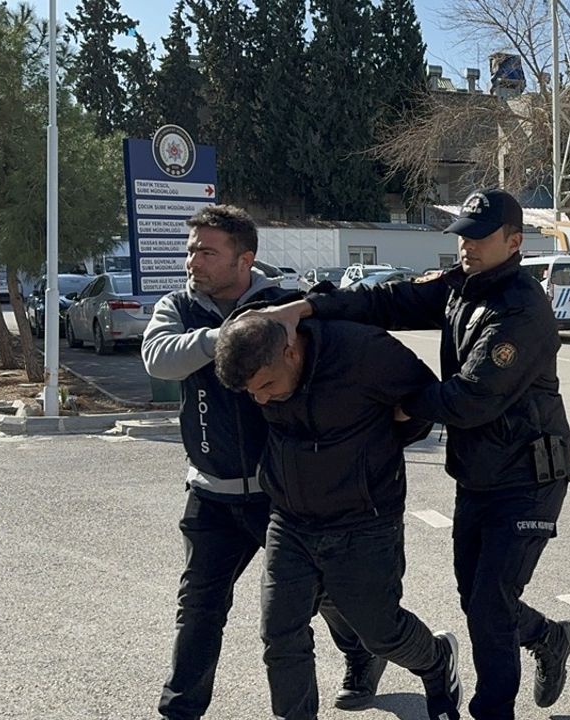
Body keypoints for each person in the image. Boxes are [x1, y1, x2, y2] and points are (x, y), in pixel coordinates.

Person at [256, 188, 570, 720]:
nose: (466, 247)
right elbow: (390, 301)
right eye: (462, 237)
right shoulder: (463, 287)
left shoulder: (522, 310)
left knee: (490, 609)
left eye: (479, 238)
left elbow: (474, 396)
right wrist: (309, 306)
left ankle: (491, 711)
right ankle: (548, 637)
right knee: (478, 601)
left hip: (527, 479)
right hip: (479, 473)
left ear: (514, 242)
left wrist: (403, 404)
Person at [140, 205, 377, 720]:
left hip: (281, 494)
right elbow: (159, 359)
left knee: (321, 597)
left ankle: (361, 655)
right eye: (191, 250)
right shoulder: (179, 307)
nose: (193, 262)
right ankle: (179, 711)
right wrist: (232, 335)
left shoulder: (282, 302)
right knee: (199, 609)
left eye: (207, 251)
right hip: (212, 493)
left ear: (244, 258)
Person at [212, 314, 460, 720]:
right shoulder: (263, 370)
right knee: (280, 634)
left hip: (363, 520)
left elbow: (425, 398)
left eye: (267, 386)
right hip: (290, 521)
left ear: (290, 352)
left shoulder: (362, 352)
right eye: (250, 393)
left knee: (381, 632)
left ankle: (435, 660)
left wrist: (396, 428)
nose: (261, 400)